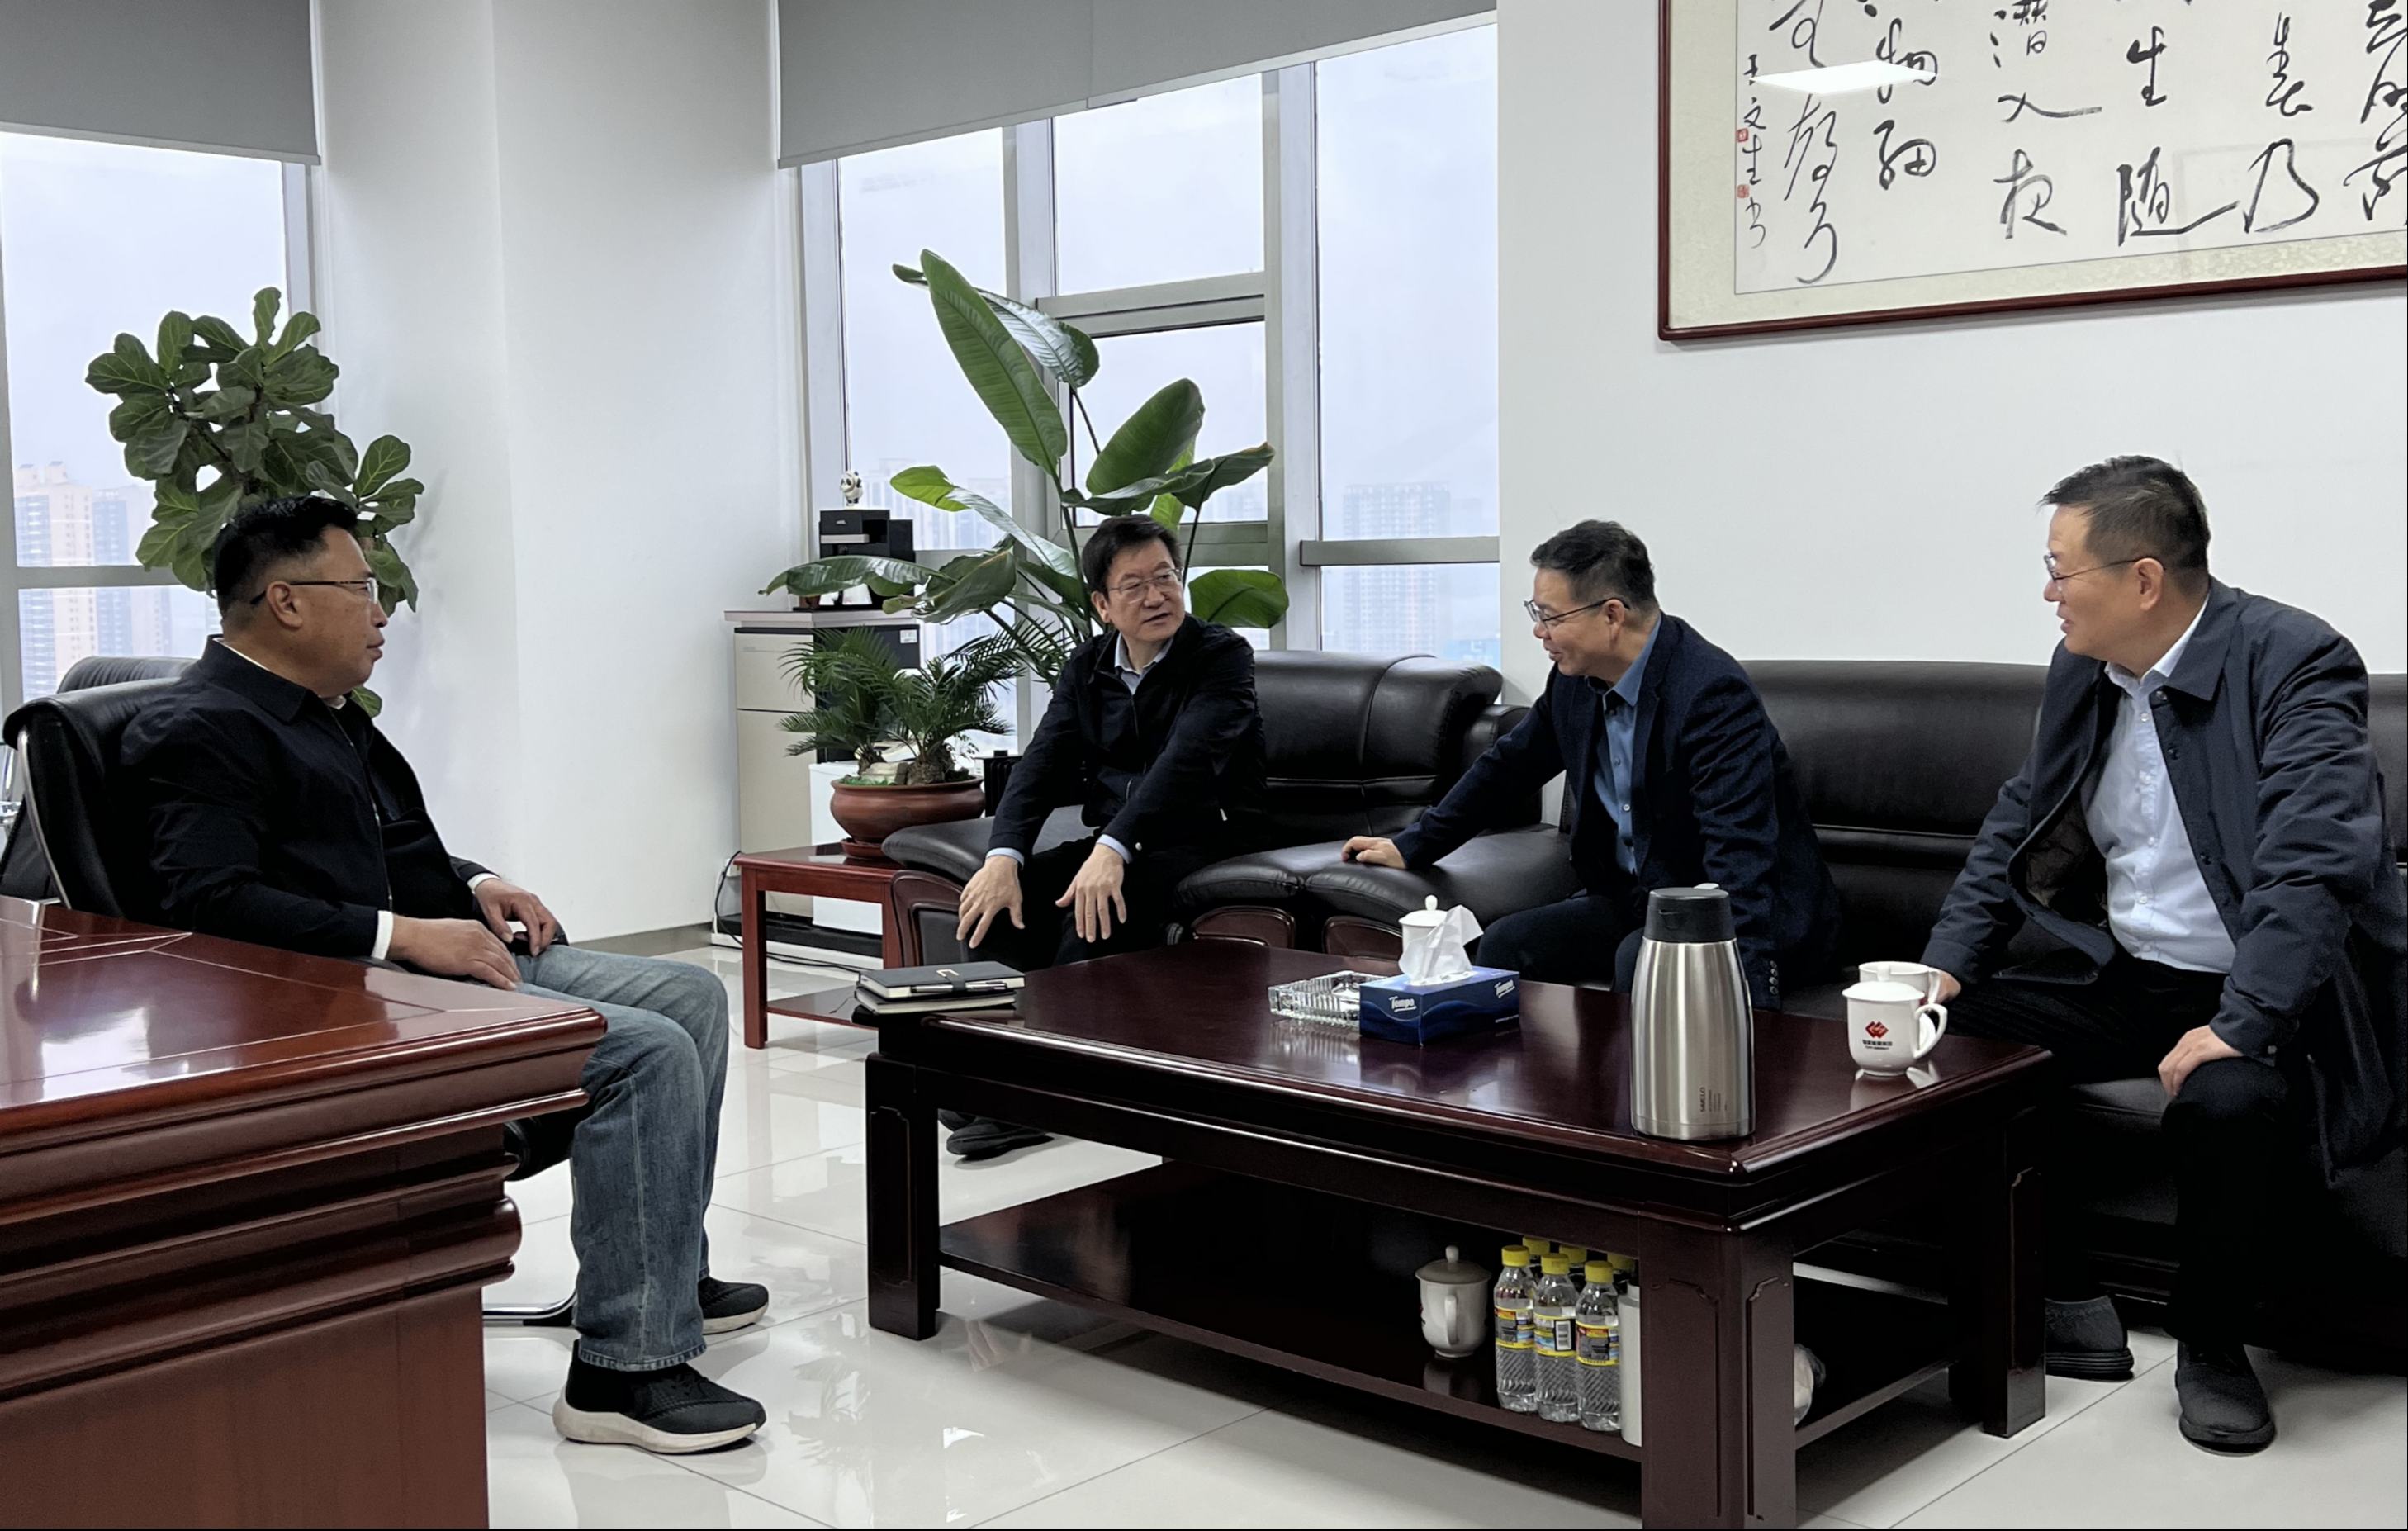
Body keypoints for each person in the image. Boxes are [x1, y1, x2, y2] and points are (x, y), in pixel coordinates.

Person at [118, 496, 769, 1456]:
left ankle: (654, 1275)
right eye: (361, 588)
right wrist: (403, 938)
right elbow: (205, 903)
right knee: (646, 1051)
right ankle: (623, 1372)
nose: (382, 612)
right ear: (286, 601)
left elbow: (382, 851)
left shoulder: (326, 714)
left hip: (410, 967)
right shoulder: (200, 726)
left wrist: (474, 883)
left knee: (693, 994)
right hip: (343, 1002)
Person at [1922, 455, 2406, 1454]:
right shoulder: (2083, 672)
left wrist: (2243, 1023)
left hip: (2275, 994)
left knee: (2225, 1102)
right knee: (1947, 1040)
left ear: (2143, 579)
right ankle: (2064, 1296)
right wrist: (1947, 966)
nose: (2048, 594)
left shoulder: (2296, 661)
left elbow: (2315, 864)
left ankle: (2212, 1347)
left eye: (2060, 571)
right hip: (2135, 978)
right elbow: (2020, 815)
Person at [1343, 520, 1837, 1011]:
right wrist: (1414, 844)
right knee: (1507, 944)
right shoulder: (1574, 681)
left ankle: (1632, 1067)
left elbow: (1740, 854)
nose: (1539, 631)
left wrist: (1751, 1003)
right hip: (1637, 899)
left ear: (1612, 615)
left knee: (1641, 959)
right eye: (1536, 613)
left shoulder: (1710, 694)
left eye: (1551, 616)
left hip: (1727, 911)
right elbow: (1508, 768)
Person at [947, 514, 1266, 1159]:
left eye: (1165, 578)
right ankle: (985, 1072)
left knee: (1093, 912)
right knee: (999, 910)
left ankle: (1045, 1096)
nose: (1156, 596)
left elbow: (1185, 766)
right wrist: (1004, 857)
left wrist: (1113, 847)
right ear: (1102, 604)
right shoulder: (1089, 665)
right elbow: (1042, 763)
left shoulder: (1221, 657)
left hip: (1202, 841)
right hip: (1113, 843)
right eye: (1134, 586)